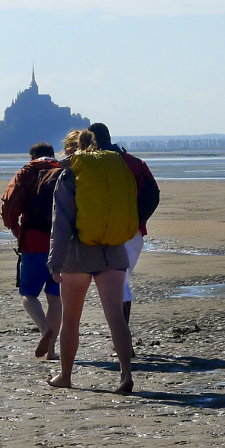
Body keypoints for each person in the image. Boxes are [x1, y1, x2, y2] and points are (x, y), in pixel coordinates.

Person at [47, 129, 137, 393]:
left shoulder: (70, 173)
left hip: (79, 252)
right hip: (114, 249)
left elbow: (61, 222)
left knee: (71, 319)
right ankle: (125, 375)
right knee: (116, 317)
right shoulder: (115, 168)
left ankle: (65, 376)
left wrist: (55, 261)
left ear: (68, 149)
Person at [87, 123, 161, 327]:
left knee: (118, 283)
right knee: (121, 281)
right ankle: (122, 337)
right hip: (133, 231)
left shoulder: (91, 164)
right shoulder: (135, 163)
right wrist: (138, 222)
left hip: (104, 231)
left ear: (92, 140)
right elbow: (154, 195)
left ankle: (122, 338)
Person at [0, 142, 63, 360]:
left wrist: (16, 229)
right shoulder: (63, 171)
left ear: (32, 156)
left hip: (34, 240)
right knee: (55, 296)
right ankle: (52, 351)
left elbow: (9, 205)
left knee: (28, 294)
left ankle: (44, 329)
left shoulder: (26, 172)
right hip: (61, 242)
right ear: (53, 155)